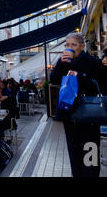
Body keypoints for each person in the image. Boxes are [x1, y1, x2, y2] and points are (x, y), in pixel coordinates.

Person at [50, 32, 107, 177]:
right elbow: (54, 80)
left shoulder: (93, 62)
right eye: (67, 45)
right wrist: (60, 65)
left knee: (91, 155)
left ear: (82, 46)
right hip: (70, 115)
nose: (69, 48)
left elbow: (100, 86)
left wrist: (79, 76)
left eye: (73, 45)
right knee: (74, 154)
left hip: (89, 116)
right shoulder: (63, 62)